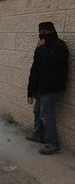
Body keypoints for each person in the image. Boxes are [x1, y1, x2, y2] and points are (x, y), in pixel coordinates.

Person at [26, 21, 69, 155]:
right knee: (37, 111)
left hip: (51, 87)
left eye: (45, 32)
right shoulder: (41, 46)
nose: (41, 34)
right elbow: (35, 67)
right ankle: (38, 135)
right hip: (41, 86)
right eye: (40, 32)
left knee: (46, 115)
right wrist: (31, 89)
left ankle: (52, 143)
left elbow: (54, 60)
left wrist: (42, 48)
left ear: (52, 32)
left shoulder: (60, 46)